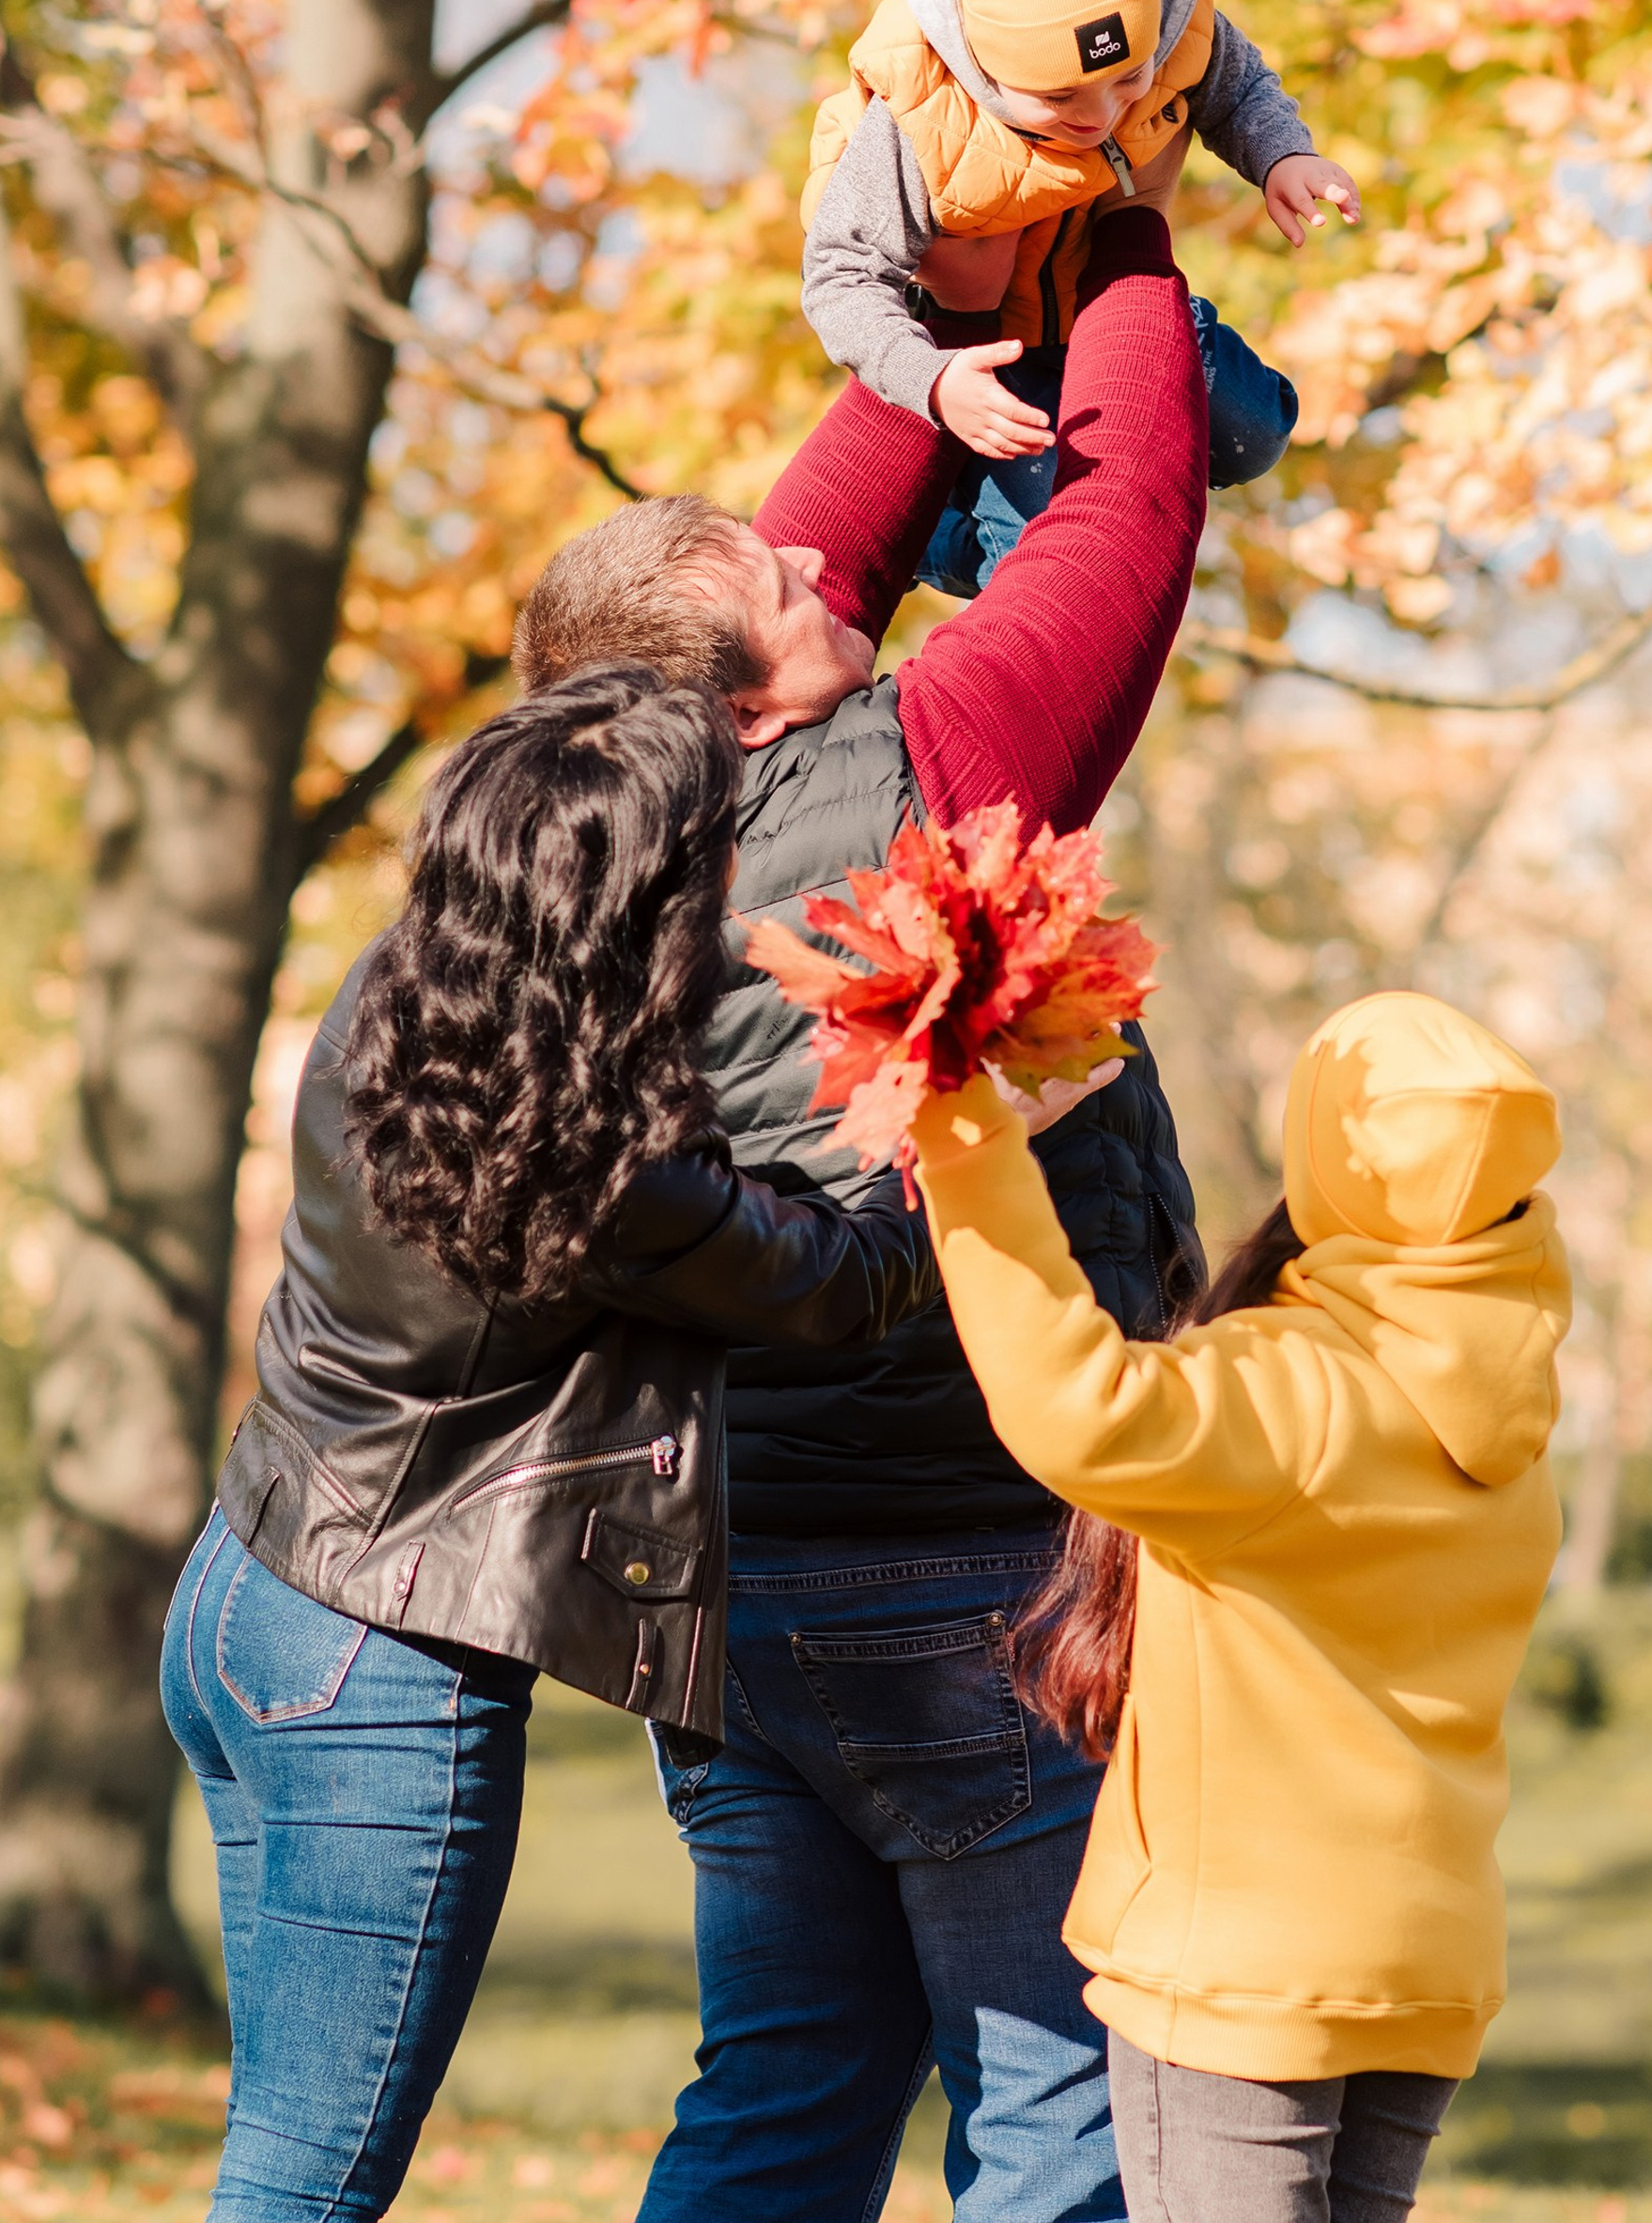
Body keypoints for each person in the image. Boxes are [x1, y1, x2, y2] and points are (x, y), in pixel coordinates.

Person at [511, 192, 1212, 2222]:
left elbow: (824, 523)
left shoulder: (579, 831)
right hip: (976, 1574)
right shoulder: (934, 768)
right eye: (785, 589)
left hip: (730, 1584)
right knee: (1060, 2120)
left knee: (784, 2103)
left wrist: (962, 262)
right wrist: (1131, 225)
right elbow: (1128, 514)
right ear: (738, 697)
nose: (826, 563)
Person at [160, 665, 943, 2223]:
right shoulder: (599, 1166)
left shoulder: (400, 989)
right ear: (656, 902)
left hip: (246, 1597)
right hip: (380, 1672)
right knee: (308, 2182)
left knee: (277, 2157)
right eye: (721, 846)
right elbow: (850, 1286)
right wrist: (941, 1093)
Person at [910, 993, 1572, 2223]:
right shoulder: (1514, 1420)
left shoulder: (1292, 1393)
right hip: (1425, 1962)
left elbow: (1076, 1407)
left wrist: (966, 1145)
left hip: (1245, 1970)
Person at [799, 0, 1358, 590]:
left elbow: (1235, 84)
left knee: (1258, 432)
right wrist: (929, 378)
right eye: (1059, 95)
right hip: (1005, 362)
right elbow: (838, 274)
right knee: (1017, 568)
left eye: (1127, 80)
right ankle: (942, 518)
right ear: (981, 63)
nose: (1100, 113)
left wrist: (1283, 155)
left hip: (1105, 300)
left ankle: (1133, 442)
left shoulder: (1164, 23)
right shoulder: (916, 116)